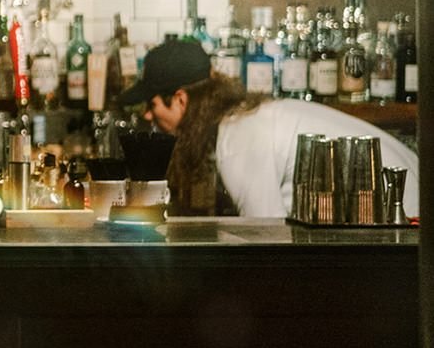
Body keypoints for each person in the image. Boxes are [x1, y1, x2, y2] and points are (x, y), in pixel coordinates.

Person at [119, 37, 420, 219]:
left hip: (403, 214)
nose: (147, 116)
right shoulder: (245, 119)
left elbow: (263, 235)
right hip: (402, 204)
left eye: (152, 104)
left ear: (180, 99)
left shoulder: (237, 137)